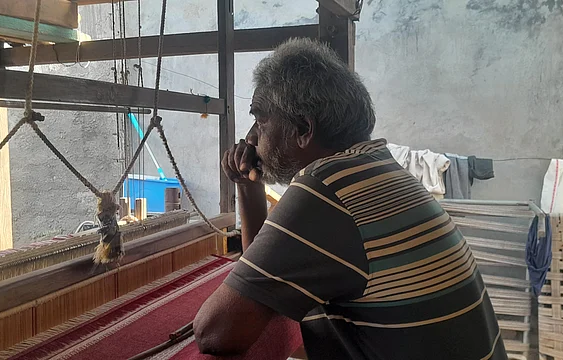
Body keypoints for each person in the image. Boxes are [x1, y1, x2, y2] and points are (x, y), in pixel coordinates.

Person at [192, 38, 507, 360]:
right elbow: (266, 278)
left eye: (260, 120)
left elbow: (216, 333)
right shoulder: (378, 168)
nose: (251, 138)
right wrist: (248, 186)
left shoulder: (326, 189)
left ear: (303, 128)